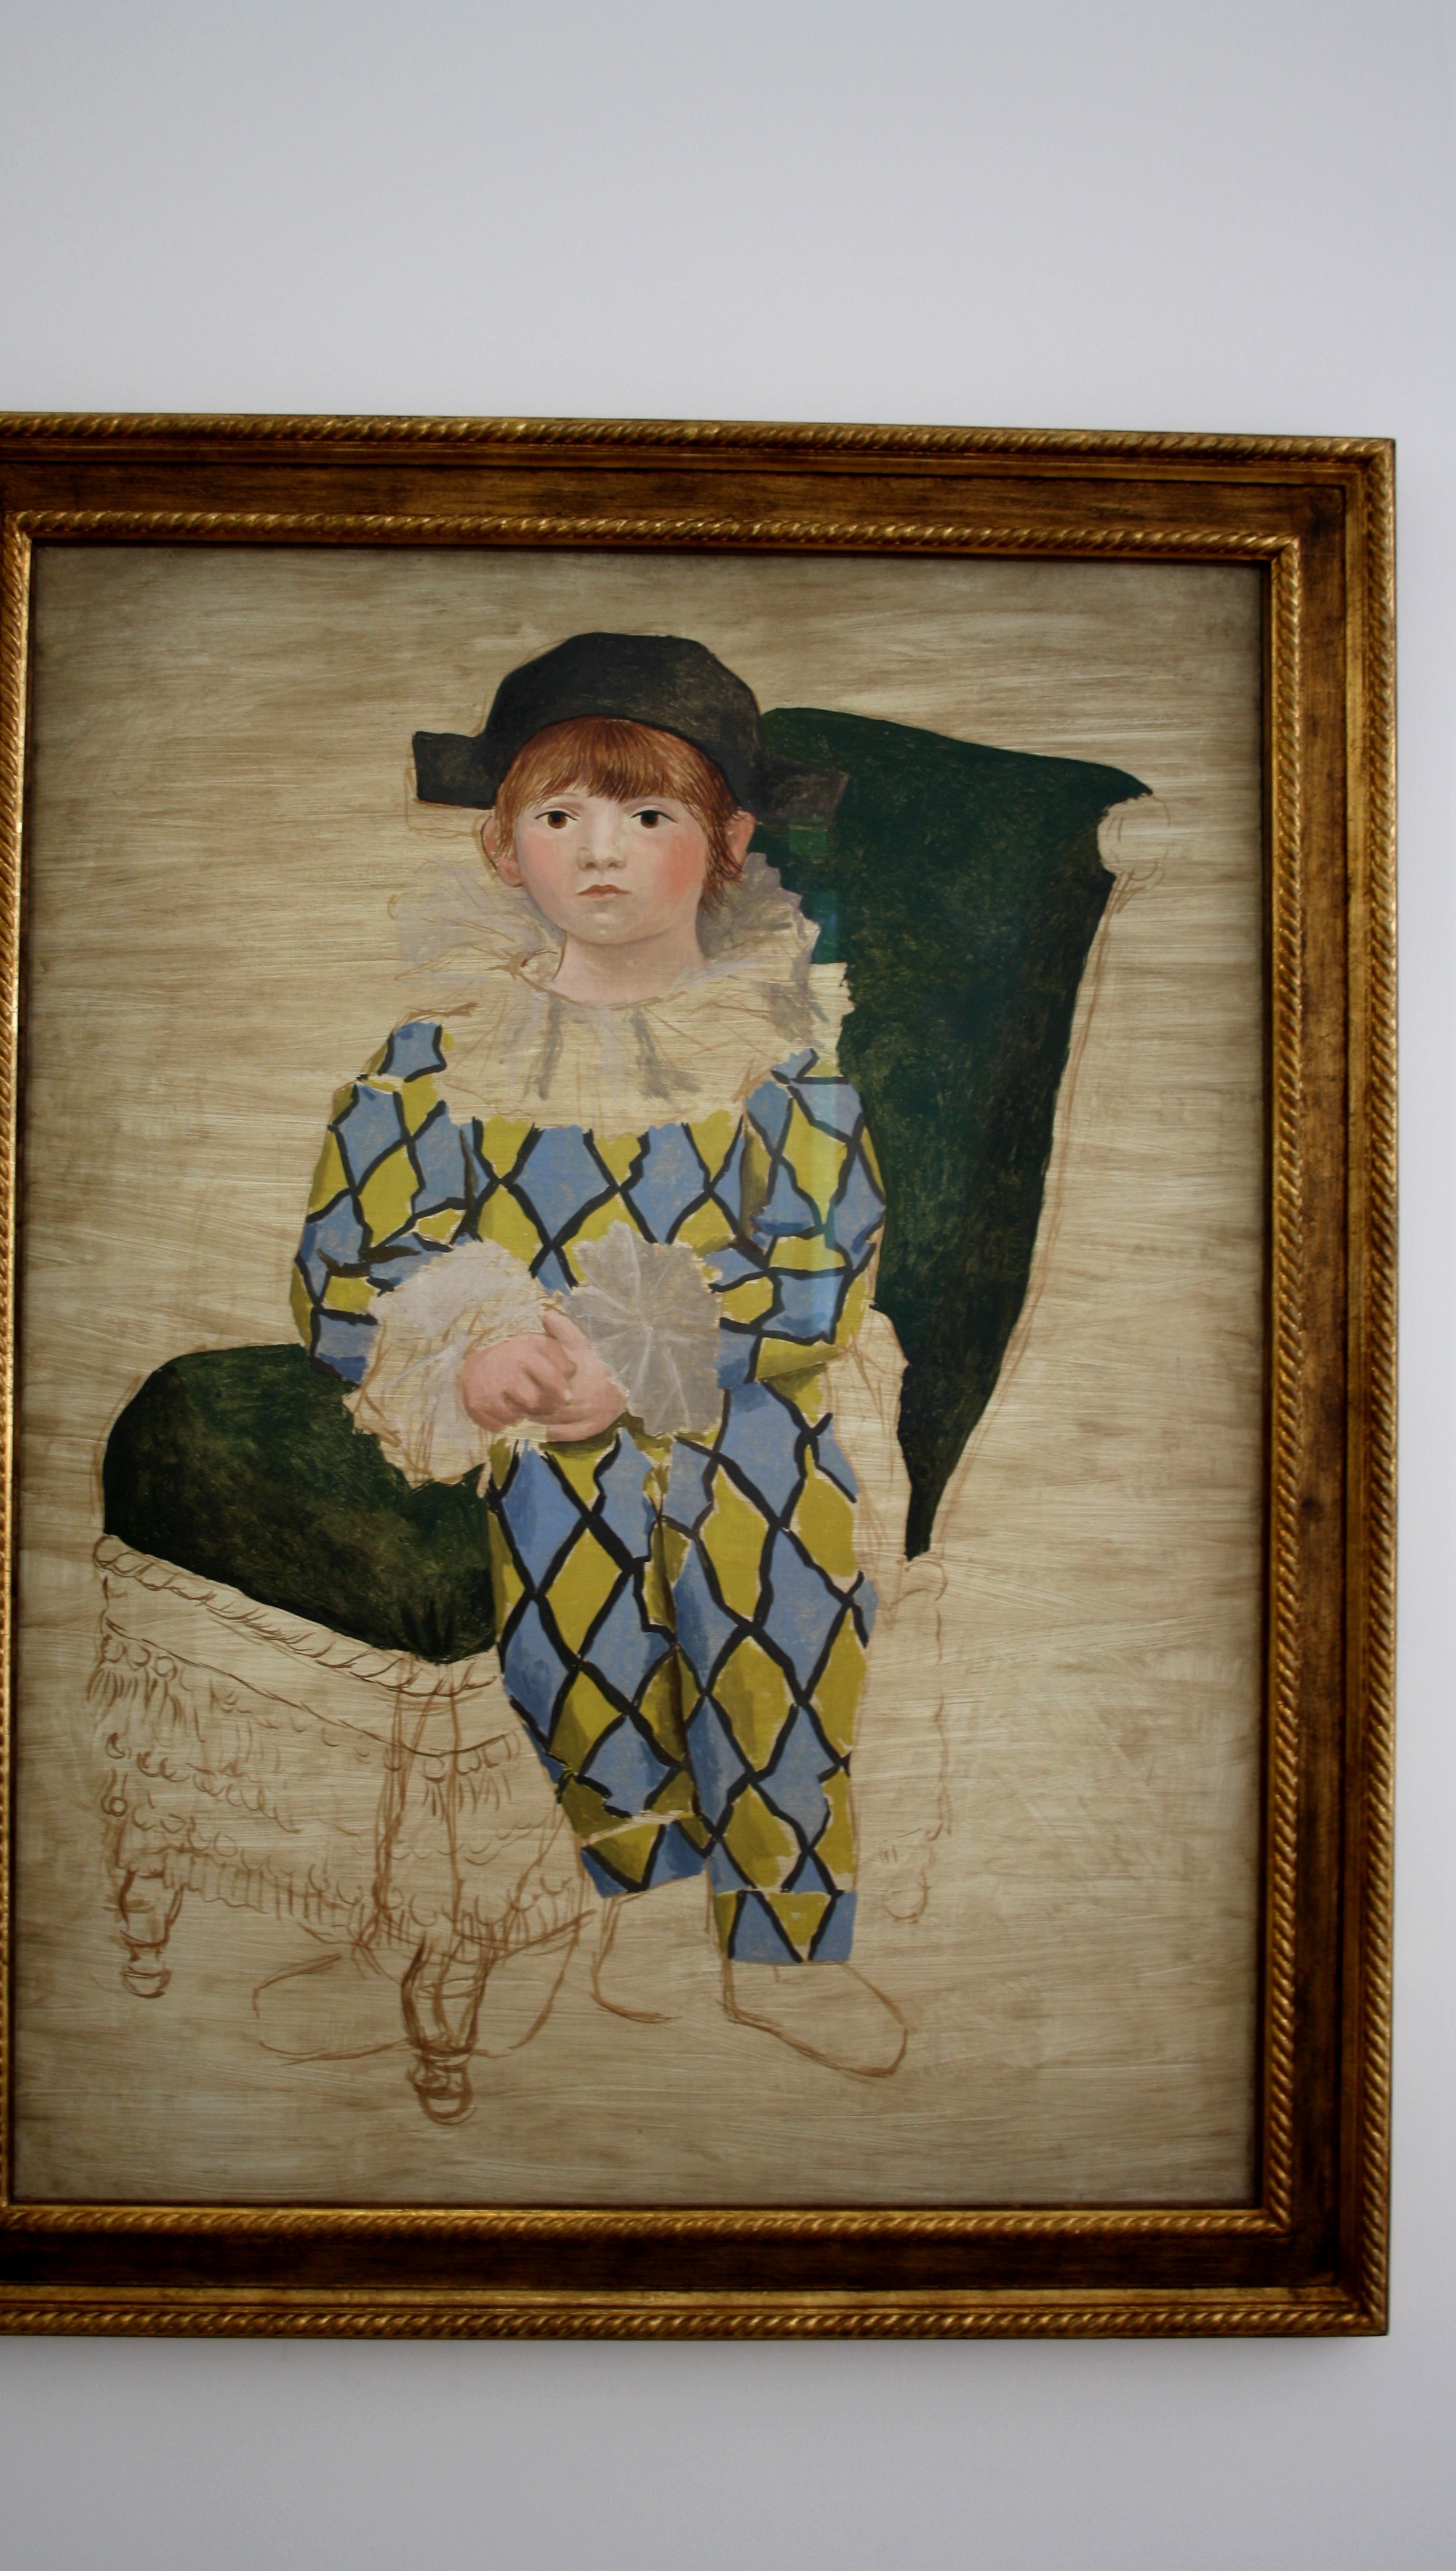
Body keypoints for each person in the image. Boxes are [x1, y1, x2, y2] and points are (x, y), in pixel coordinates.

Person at [292, 634, 906, 2074]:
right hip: (530, 1409)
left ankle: (787, 1937)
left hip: (742, 1398)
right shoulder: (437, 1057)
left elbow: (822, 1264)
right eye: (559, 815)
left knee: (770, 1580)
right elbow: (348, 1261)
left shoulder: (777, 1058)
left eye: (649, 814)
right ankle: (645, 1885)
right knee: (570, 1575)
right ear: (503, 845)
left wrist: (649, 1360)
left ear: (729, 844)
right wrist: (474, 1354)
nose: (601, 851)